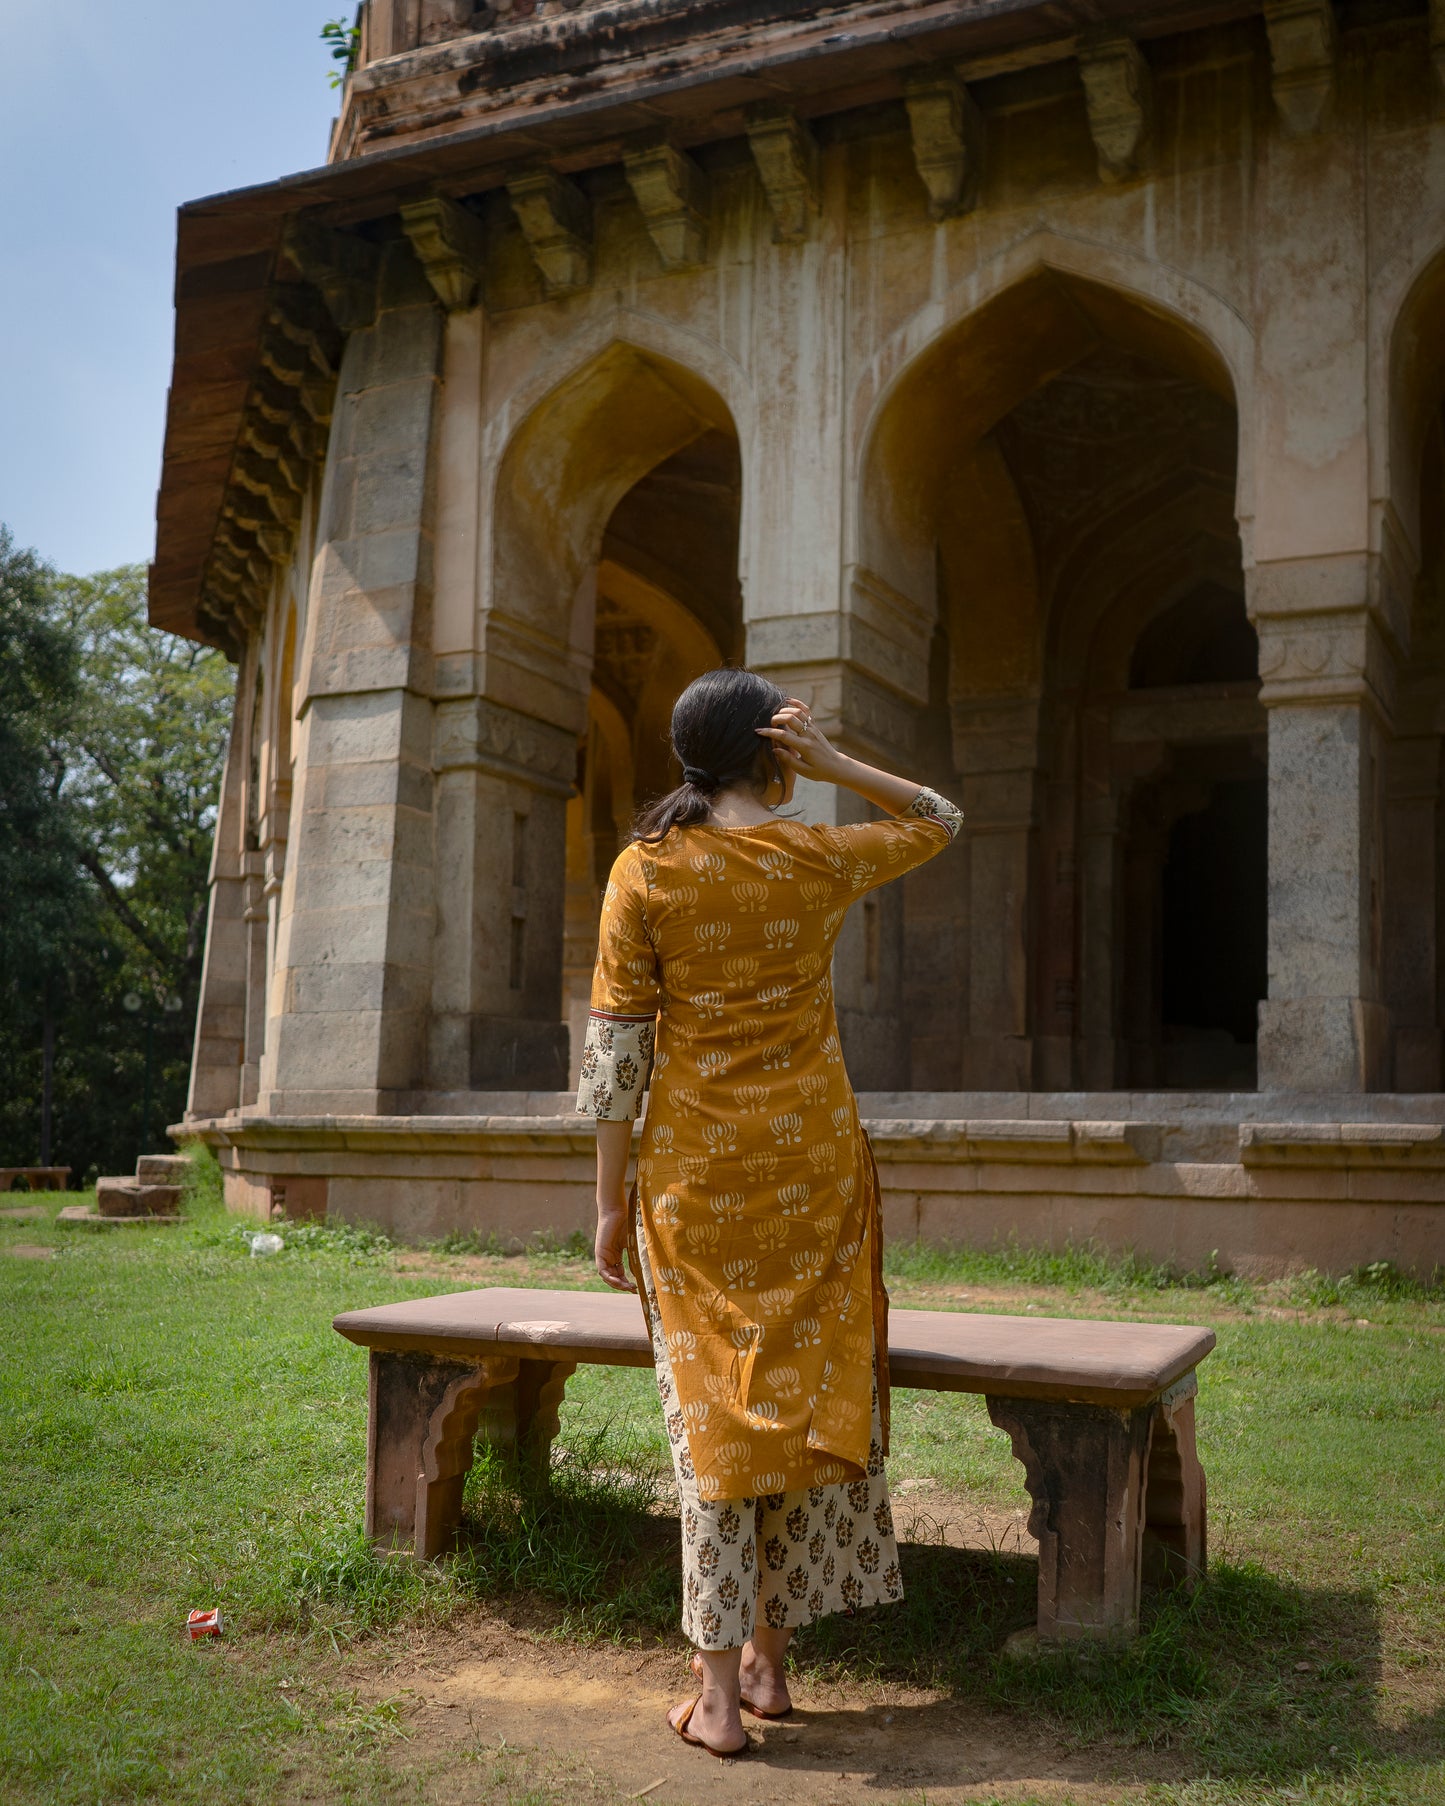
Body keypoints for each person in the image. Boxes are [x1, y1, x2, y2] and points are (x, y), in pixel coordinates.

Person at [576, 667, 962, 1758]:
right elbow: (938, 818)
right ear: (772, 753)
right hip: (816, 1176)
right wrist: (837, 768)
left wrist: (607, 1201)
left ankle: (717, 1701)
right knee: (795, 1403)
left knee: (713, 1417)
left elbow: (616, 1054)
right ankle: (771, 1669)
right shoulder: (814, 854)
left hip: (694, 1184)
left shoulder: (645, 870)